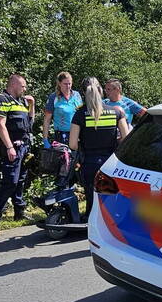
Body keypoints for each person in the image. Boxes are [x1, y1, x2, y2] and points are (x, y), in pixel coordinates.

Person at [69, 77, 130, 221]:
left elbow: (72, 144)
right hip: (111, 163)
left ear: (83, 93)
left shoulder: (79, 115)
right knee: (111, 197)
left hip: (89, 163)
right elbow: (126, 139)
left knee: (91, 197)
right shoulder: (116, 112)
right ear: (101, 91)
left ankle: (91, 222)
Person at [0, 73, 36, 227]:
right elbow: (0, 125)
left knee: (21, 180)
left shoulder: (21, 101)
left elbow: (30, 121)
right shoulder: (2, 99)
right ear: (13, 84)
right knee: (10, 182)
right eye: (23, 86)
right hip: (12, 147)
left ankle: (19, 212)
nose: (25, 89)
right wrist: (9, 147)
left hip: (24, 146)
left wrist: (32, 106)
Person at [42, 71, 83, 145]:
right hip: (61, 135)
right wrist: (45, 139)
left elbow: (81, 114)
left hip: (78, 134)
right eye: (65, 84)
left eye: (69, 83)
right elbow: (47, 120)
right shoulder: (53, 97)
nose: (68, 86)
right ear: (59, 83)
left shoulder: (77, 95)